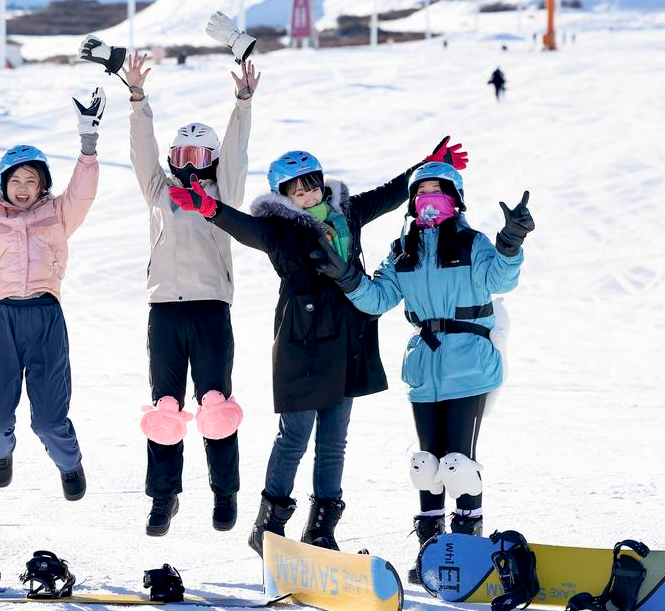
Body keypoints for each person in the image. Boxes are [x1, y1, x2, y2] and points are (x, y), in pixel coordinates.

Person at [169, 139, 468, 555]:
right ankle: (269, 526)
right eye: (296, 191)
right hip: (302, 343)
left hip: (348, 340)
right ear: (283, 197)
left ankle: (321, 529)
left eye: (311, 186)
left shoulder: (348, 213)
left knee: (334, 439)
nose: (307, 196)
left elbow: (390, 192)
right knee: (294, 435)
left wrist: (428, 165)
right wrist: (209, 208)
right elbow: (245, 228)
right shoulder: (279, 229)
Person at [310, 161, 534, 582]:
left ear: (455, 198)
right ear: (412, 202)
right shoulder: (402, 251)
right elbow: (377, 299)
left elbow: (500, 280)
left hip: (470, 364)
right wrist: (346, 275)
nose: (429, 197)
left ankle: (468, 548)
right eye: (421, 191)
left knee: (458, 464)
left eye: (438, 189)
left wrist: (511, 241)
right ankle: (431, 551)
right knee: (426, 465)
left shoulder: (472, 243)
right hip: (424, 368)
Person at [121, 52, 260, 537]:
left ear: (213, 160)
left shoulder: (223, 194)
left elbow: (239, 154)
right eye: (182, 156)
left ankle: (225, 492)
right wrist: (137, 98)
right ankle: (164, 498)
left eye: (199, 157)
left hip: (209, 309)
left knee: (216, 407)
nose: (188, 166)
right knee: (164, 410)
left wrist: (242, 103)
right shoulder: (159, 190)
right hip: (164, 310)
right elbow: (142, 152)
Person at [0, 76, 104, 500]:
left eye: (31, 181)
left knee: (49, 420)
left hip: (45, 316)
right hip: (2, 317)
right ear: (4, 184)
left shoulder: (57, 215)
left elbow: (84, 191)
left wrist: (88, 139)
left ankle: (69, 464)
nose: (23, 188)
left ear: (42, 186)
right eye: (15, 180)